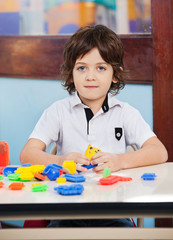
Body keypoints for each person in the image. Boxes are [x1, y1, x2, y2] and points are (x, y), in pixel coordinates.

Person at [20, 25, 168, 228]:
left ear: (115, 74)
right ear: (71, 74)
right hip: (66, 208)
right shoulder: (58, 111)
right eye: (82, 68)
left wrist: (120, 160)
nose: (90, 76)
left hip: (114, 207)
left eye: (101, 68)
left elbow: (159, 152)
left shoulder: (125, 112)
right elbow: (27, 154)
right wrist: (60, 160)